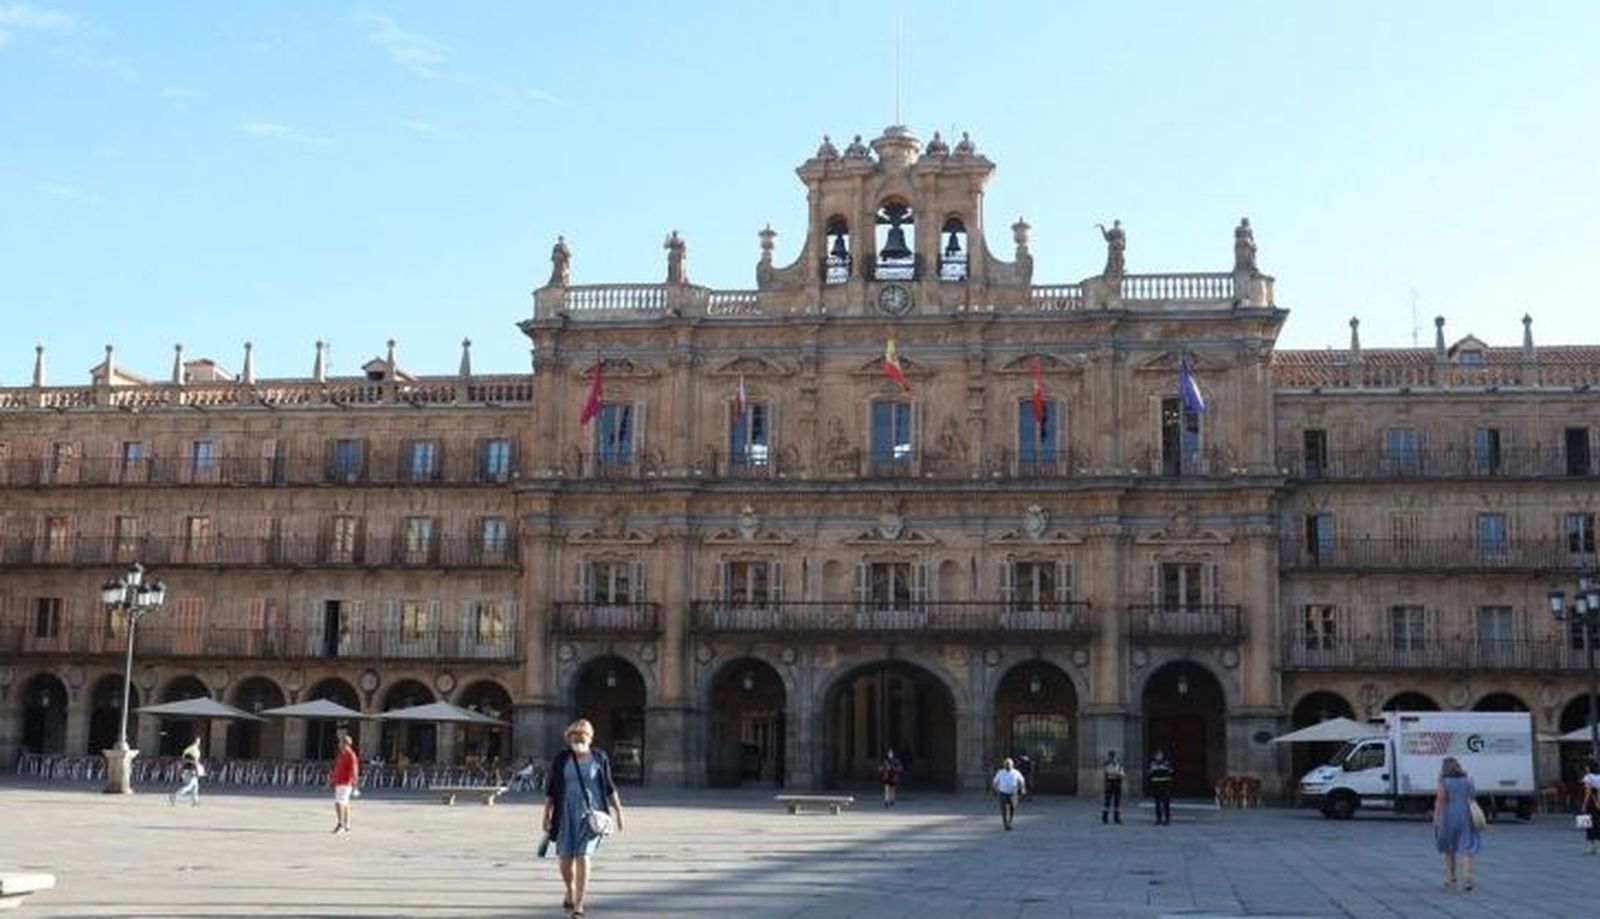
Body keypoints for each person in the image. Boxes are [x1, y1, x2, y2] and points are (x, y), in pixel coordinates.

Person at [543, 719, 625, 918]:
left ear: (590, 737)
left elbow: (608, 786)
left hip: (590, 815)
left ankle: (579, 904)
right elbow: (552, 788)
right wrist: (546, 814)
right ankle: (570, 890)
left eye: (583, 735)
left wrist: (619, 811)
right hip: (564, 813)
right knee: (565, 858)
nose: (579, 738)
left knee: (583, 856)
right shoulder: (562, 758)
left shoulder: (599, 757)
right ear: (568, 737)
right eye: (575, 735)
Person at [1433, 756, 1481, 891]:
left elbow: (1441, 800)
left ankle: (1450, 877)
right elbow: (1472, 797)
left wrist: (1436, 816)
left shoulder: (1444, 782)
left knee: (1449, 847)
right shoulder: (1468, 780)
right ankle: (1467, 877)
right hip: (1465, 815)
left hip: (1448, 816)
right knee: (1466, 846)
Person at [329, 731, 360, 835]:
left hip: (346, 782)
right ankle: (347, 824)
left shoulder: (351, 755)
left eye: (340, 742)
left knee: (339, 803)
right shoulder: (341, 754)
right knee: (345, 803)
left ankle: (340, 824)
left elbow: (354, 771)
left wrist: (355, 785)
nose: (339, 744)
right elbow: (337, 768)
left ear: (345, 744)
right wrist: (332, 779)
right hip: (340, 781)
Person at [992, 757, 1027, 831]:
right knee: (1003, 809)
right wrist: (994, 789)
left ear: (1012, 765)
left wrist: (1023, 788)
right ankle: (1005, 824)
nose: (1008, 765)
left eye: (1009, 764)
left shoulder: (1016, 772)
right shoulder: (1000, 772)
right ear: (1004, 765)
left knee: (1012, 808)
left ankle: (1010, 822)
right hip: (1003, 793)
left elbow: (1021, 780)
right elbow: (995, 781)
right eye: (1006, 764)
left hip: (1013, 794)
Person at [171, 735, 203, 806]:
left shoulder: (187, 749)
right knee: (189, 786)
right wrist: (197, 770)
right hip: (191, 770)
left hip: (185, 769)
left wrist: (181, 769)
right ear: (195, 741)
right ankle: (175, 795)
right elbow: (195, 762)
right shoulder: (195, 750)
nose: (199, 743)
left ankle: (195, 801)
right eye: (198, 741)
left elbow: (183, 759)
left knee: (195, 785)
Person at [1147, 749, 1175, 825]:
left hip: (1165, 784)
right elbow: (1149, 773)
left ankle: (1167, 819)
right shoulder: (1153, 763)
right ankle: (1158, 818)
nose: (1158, 756)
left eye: (1160, 755)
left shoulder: (1166, 763)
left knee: (1166, 802)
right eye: (1157, 755)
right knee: (1157, 803)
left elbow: (1171, 771)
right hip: (1156, 785)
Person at [1579, 757, 1600, 856]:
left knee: (1589, 824)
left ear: (1588, 767)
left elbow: (1587, 793)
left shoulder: (1588, 777)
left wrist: (1584, 805)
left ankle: (1592, 848)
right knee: (1598, 823)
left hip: (1591, 804)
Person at [1101, 750, 1126, 825]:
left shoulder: (1118, 764)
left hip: (1117, 785)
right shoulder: (1107, 764)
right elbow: (1108, 772)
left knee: (1117, 803)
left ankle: (1116, 818)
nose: (1111, 758)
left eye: (1112, 756)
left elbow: (1122, 774)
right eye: (1110, 756)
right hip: (1109, 785)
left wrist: (1120, 775)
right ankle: (1105, 818)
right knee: (1107, 802)